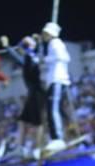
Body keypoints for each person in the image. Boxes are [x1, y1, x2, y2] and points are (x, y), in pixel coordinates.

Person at [5, 35, 45, 157]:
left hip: (38, 93)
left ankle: (38, 149)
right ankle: (19, 148)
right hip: (32, 93)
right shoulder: (29, 57)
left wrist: (8, 47)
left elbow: (19, 57)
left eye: (22, 46)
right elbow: (19, 57)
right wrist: (8, 48)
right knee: (23, 121)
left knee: (38, 123)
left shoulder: (33, 57)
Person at [39, 22, 72, 154]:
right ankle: (61, 135)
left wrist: (46, 59)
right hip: (57, 80)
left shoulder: (55, 43)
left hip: (57, 80)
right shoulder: (54, 44)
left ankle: (57, 138)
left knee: (52, 110)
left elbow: (63, 57)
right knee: (57, 109)